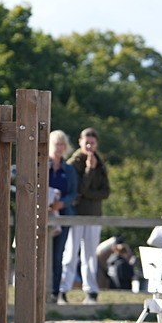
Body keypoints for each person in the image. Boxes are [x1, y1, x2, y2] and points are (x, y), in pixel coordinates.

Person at [60, 127, 110, 304]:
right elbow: (79, 190)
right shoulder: (74, 163)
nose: (89, 146)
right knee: (71, 254)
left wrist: (88, 193)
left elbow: (105, 192)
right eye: (86, 142)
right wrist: (89, 170)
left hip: (94, 215)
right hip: (76, 214)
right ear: (80, 142)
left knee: (90, 255)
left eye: (92, 143)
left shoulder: (100, 163)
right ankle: (63, 290)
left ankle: (91, 291)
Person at [48, 130, 78, 303]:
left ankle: (55, 291)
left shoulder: (69, 169)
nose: (59, 148)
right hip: (43, 214)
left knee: (57, 254)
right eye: (56, 144)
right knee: (41, 252)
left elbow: (73, 193)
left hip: (63, 215)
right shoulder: (42, 166)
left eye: (62, 144)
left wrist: (62, 203)